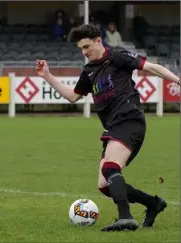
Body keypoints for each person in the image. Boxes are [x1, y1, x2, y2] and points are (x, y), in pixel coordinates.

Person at [36, 24, 180, 232]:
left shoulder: (118, 56)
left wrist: (178, 80)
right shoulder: (89, 71)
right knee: (105, 186)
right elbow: (72, 96)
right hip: (114, 125)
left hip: (130, 119)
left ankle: (125, 218)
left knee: (110, 167)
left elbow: (151, 67)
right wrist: (47, 76)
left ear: (98, 41)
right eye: (81, 49)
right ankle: (153, 204)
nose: (84, 52)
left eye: (87, 47)